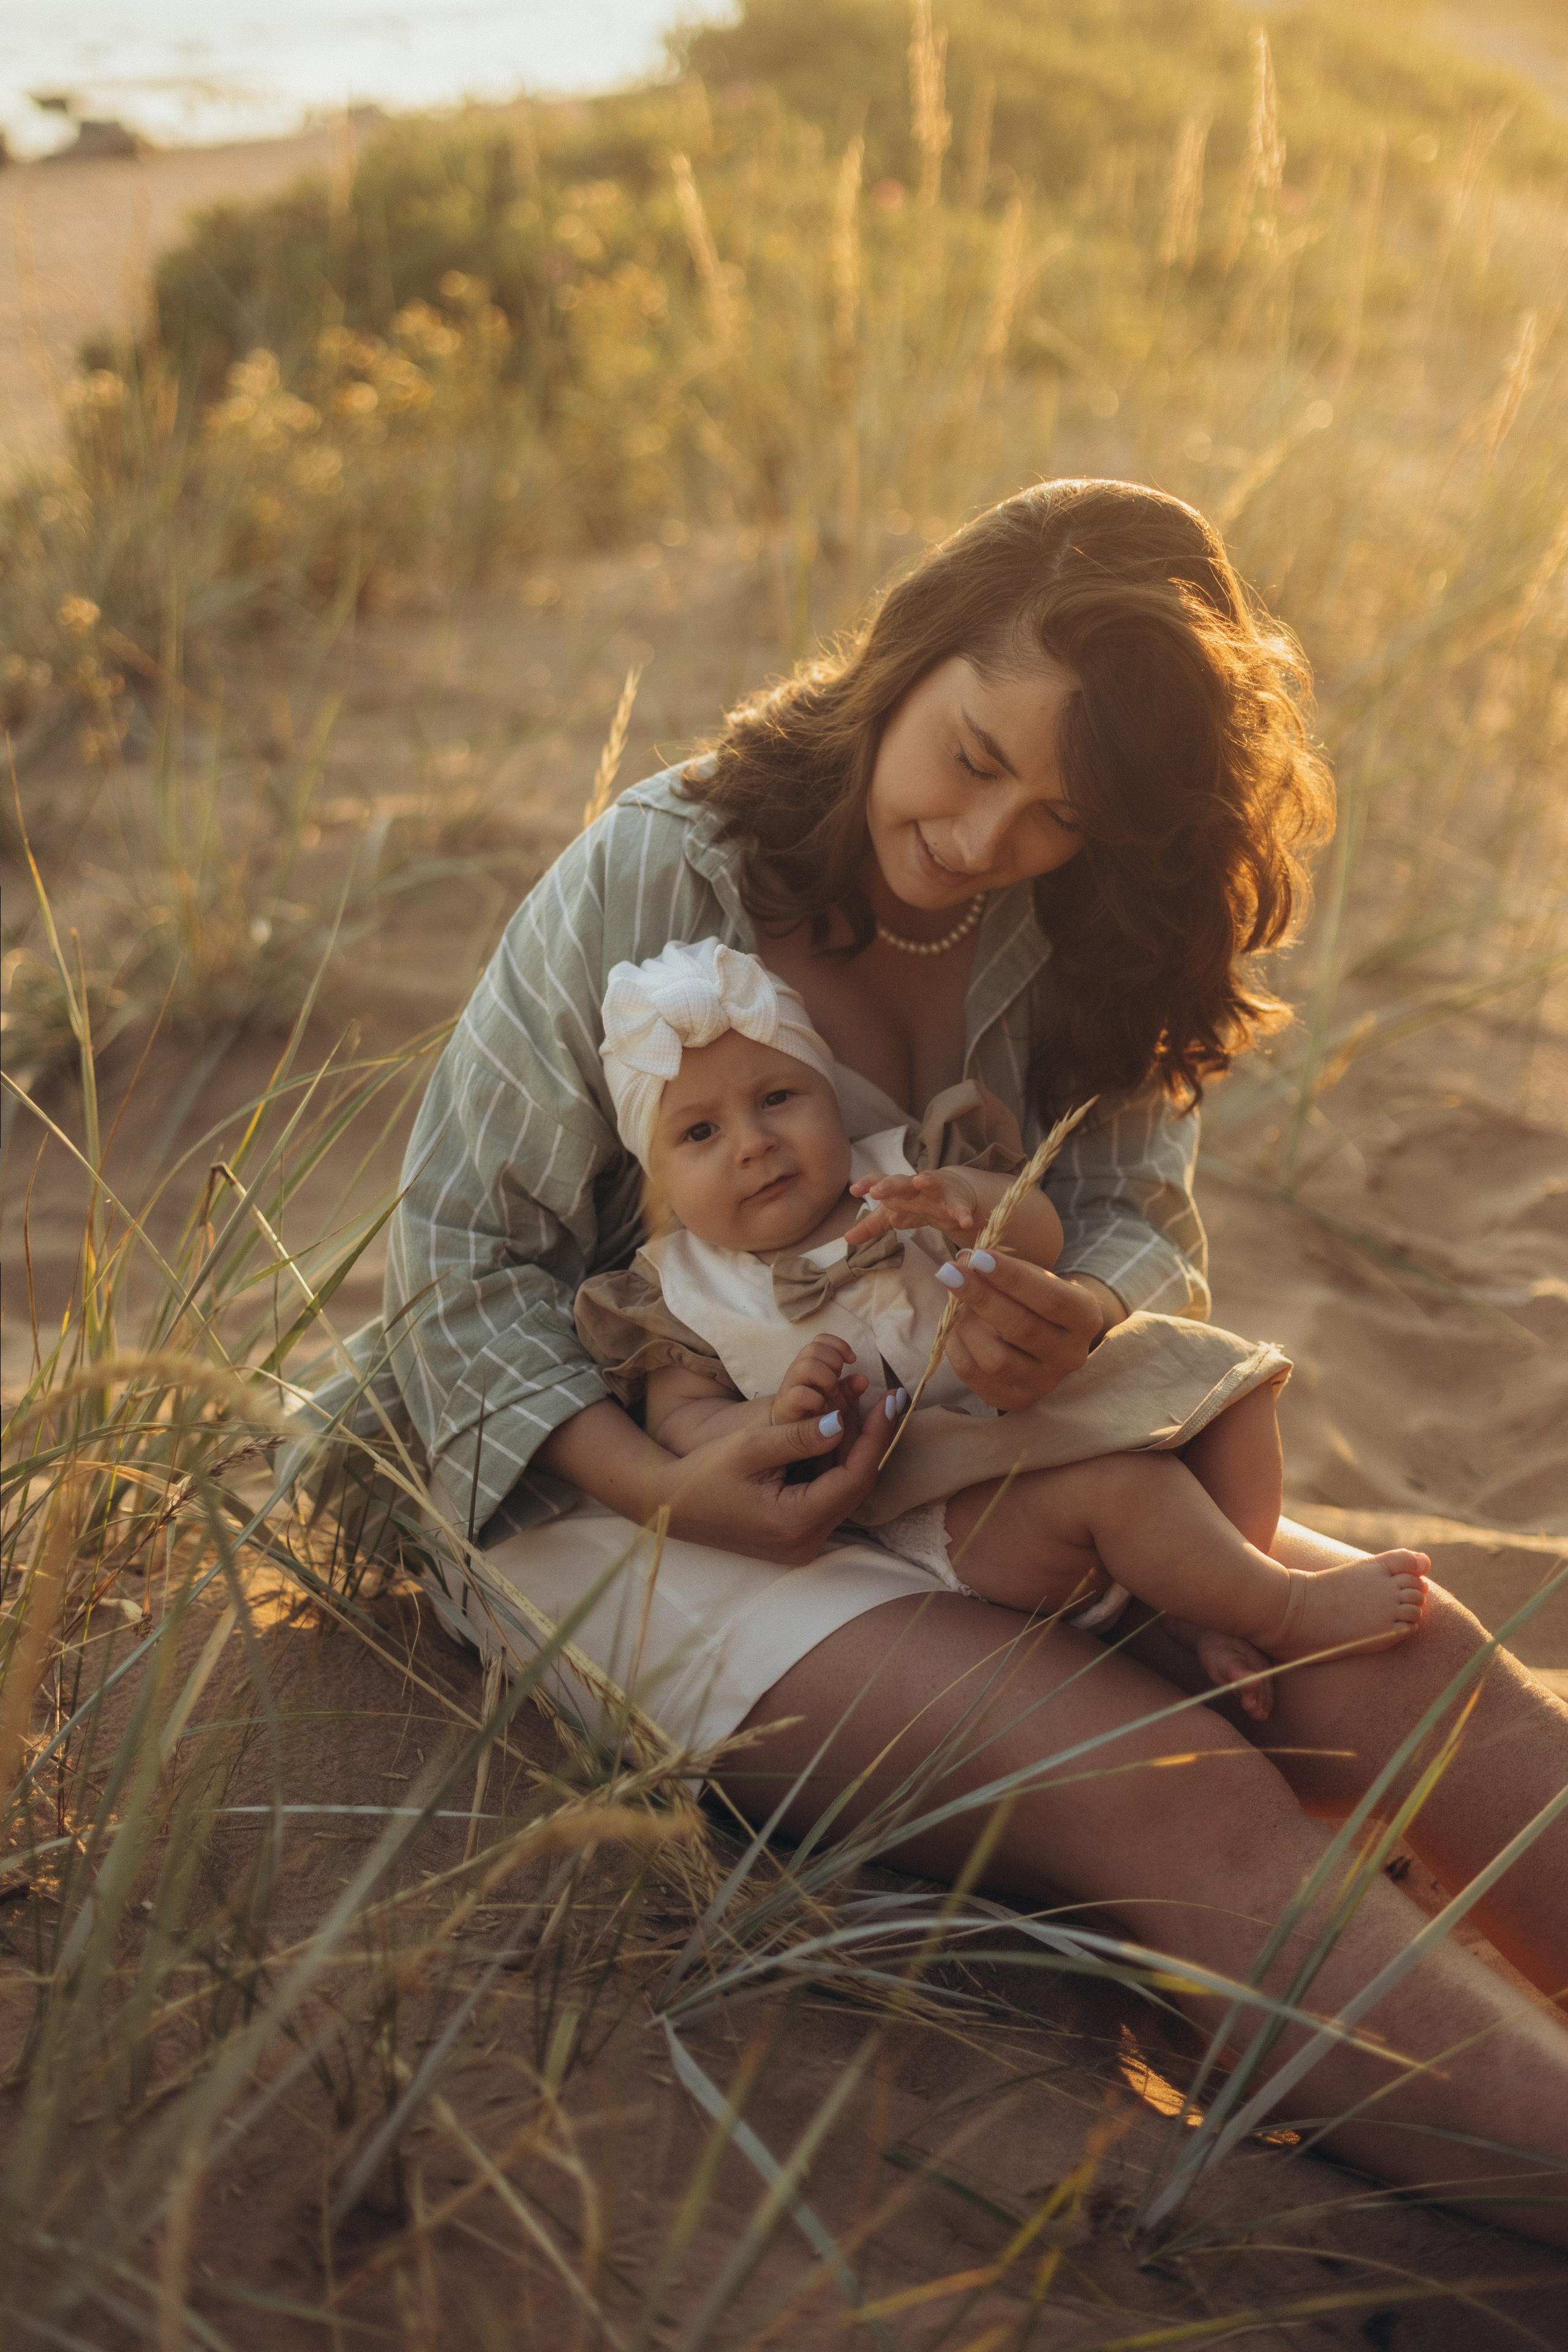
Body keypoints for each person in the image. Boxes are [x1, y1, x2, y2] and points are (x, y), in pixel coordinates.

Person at [363, 480, 1568, 2243]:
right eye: (974, 757)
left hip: (969, 1449)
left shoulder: (1094, 915)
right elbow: (454, 1267)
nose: (990, 836)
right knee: (1168, 1788)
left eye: (1058, 814)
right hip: (628, 1490)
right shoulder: (660, 863)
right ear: (911, 652)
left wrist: (1080, 1309)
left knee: (1408, 1660)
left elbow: (1138, 1215)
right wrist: (676, 1484)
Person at [576, 935, 1428, 1707]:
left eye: (776, 1097)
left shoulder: (907, 1166)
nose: (753, 1143)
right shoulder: (677, 1292)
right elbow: (680, 1423)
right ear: (656, 1178)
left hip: (1041, 1406)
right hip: (939, 1498)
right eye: (699, 1132)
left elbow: (1041, 1239)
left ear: (828, 1094)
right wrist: (772, 1416)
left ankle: (1218, 1602)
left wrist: (968, 1202)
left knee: (1230, 1387)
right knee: (1127, 1490)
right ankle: (1285, 1609)